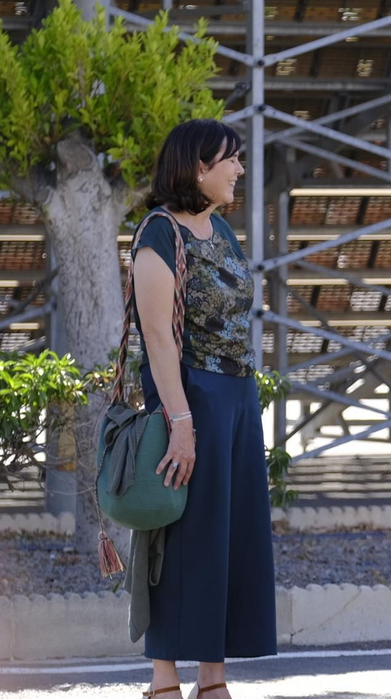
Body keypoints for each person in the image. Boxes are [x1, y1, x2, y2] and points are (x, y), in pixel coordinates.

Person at [133, 119, 275, 699]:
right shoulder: (158, 233)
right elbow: (157, 337)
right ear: (198, 167)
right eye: (230, 159)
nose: (239, 169)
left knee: (227, 537)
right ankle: (164, 680)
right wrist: (181, 421)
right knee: (182, 536)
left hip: (236, 397)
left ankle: (212, 678)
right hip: (191, 397)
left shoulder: (220, 229)